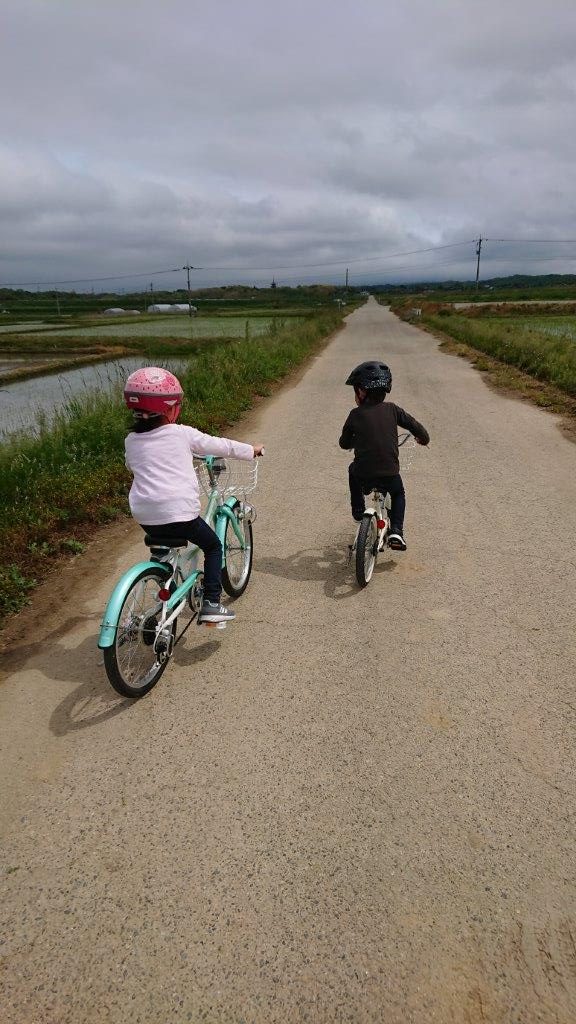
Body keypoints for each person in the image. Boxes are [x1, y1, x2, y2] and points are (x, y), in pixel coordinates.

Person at [124, 366, 264, 623]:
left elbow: (133, 465)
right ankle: (211, 603)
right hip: (179, 513)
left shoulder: (131, 440)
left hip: (145, 514)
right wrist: (251, 450)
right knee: (213, 545)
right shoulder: (182, 433)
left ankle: (163, 573)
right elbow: (220, 445)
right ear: (170, 409)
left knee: (165, 540)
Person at [339, 361, 429, 551]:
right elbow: (415, 426)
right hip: (389, 473)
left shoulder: (355, 414)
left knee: (352, 470)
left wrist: (358, 441)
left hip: (363, 474)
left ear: (361, 391)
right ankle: (396, 531)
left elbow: (344, 443)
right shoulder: (393, 409)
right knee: (398, 493)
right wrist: (423, 438)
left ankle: (358, 510)